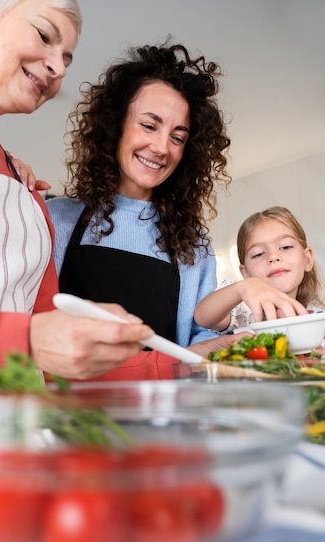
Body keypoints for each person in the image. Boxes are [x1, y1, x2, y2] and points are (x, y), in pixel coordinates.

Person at [0, 0, 159, 381]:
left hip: (17, 431)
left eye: (66, 59)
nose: (58, 69)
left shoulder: (28, 195)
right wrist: (22, 340)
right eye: (44, 36)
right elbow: (33, 339)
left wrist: (191, 362)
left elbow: (51, 355)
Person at [47, 41, 235, 379]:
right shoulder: (56, 220)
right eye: (149, 125)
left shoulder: (193, 246)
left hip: (160, 421)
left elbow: (205, 340)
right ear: (116, 125)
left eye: (178, 137)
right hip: (66, 420)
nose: (162, 147)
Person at [194, 206, 325, 333]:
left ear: (307, 259)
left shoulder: (316, 316)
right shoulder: (241, 309)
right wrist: (241, 288)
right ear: (245, 273)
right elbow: (202, 317)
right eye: (258, 254)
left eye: (285, 247)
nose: (273, 257)